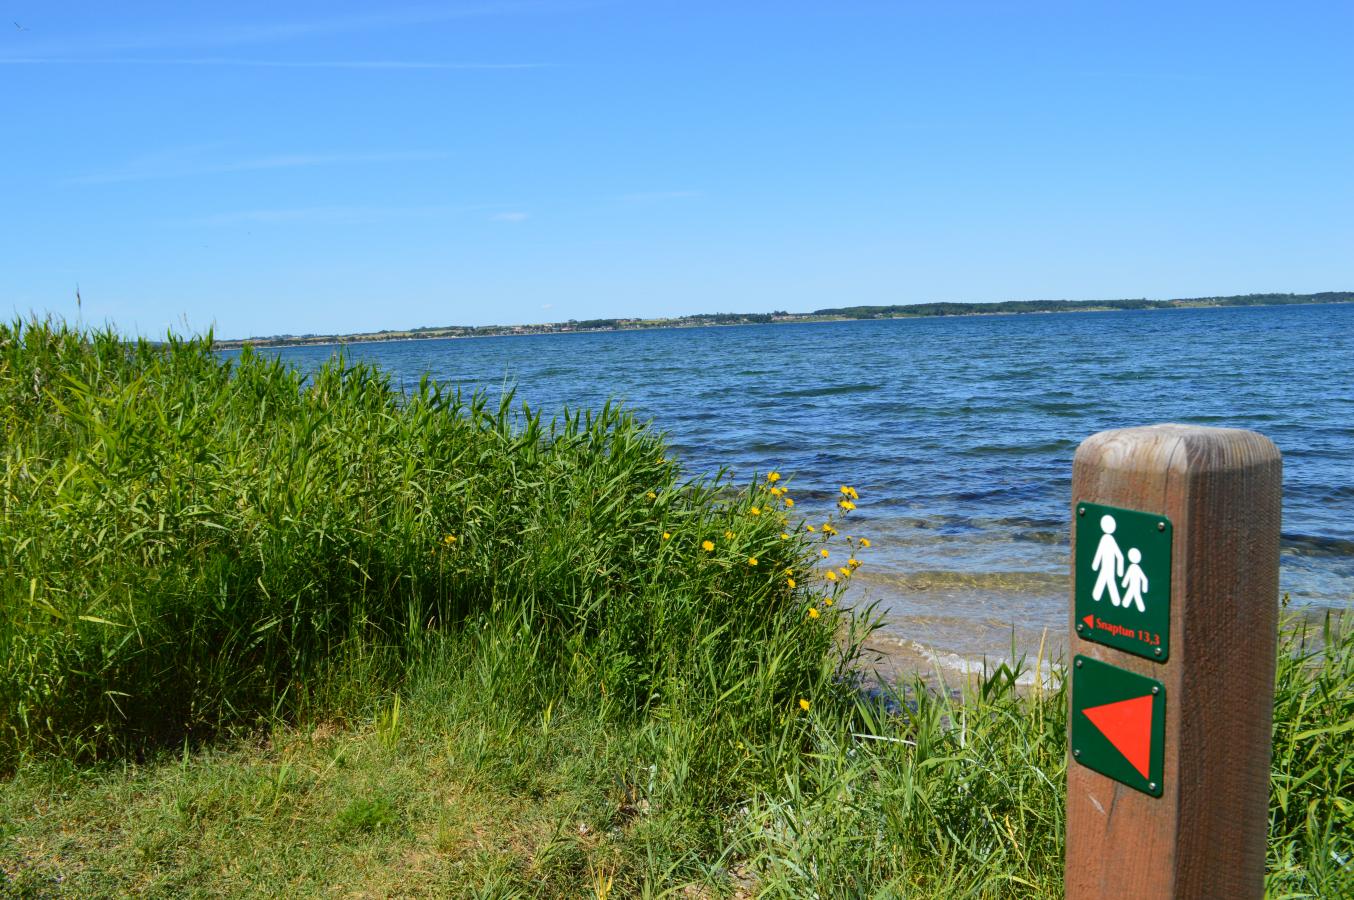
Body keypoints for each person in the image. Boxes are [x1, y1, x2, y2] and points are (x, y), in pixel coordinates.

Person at [1091, 514, 1124, 606]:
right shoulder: (1106, 539)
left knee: (1108, 582)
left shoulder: (1107, 539)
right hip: (1106, 568)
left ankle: (1116, 602)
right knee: (1106, 581)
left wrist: (1120, 571)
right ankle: (1113, 601)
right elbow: (1100, 553)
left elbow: (1119, 556)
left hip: (1108, 568)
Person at [1121, 547, 1148, 612]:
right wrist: (1124, 583)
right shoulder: (1132, 567)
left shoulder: (1135, 568)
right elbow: (1128, 576)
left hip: (1135, 587)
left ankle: (1141, 609)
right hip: (1132, 587)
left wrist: (1144, 588)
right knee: (1129, 599)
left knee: (1136, 597)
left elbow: (1144, 579)